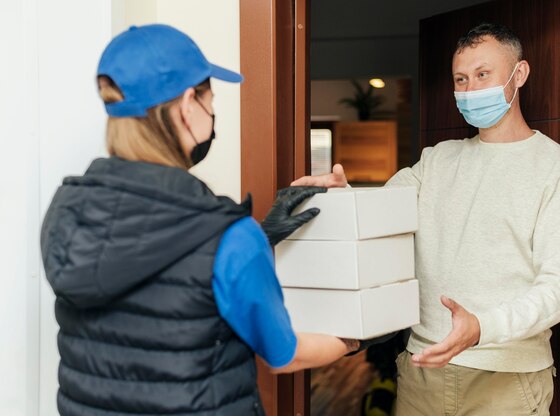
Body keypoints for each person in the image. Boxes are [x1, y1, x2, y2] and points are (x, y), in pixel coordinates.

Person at [40, 24, 359, 416]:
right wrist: (355, 339)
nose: (212, 112)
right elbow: (283, 354)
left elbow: (156, 272)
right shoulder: (228, 237)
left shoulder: (65, 212)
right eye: (210, 98)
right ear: (189, 104)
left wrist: (258, 237)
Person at [293, 22, 560, 415]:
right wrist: (344, 197)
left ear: (519, 74)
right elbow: (381, 214)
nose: (470, 90)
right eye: (461, 80)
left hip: (505, 381)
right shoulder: (436, 160)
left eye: (483, 75)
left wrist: (482, 327)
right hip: (423, 373)